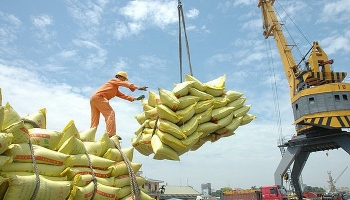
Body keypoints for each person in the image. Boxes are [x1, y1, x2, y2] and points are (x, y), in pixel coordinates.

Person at [90, 71, 147, 138]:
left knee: (95, 119)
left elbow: (123, 95)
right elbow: (124, 84)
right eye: (124, 79)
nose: (124, 80)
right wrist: (138, 88)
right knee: (110, 113)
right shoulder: (113, 80)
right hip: (99, 97)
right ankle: (111, 134)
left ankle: (90, 135)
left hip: (94, 99)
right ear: (120, 77)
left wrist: (135, 99)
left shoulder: (114, 88)